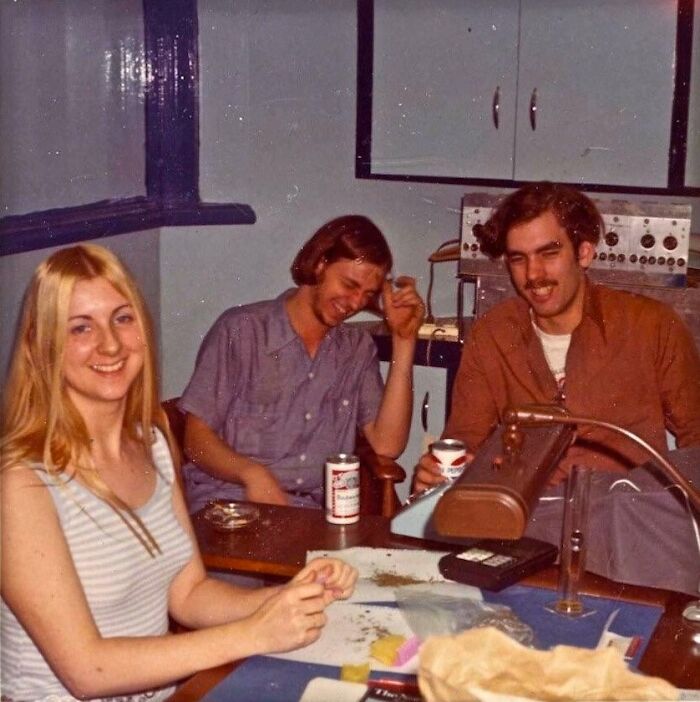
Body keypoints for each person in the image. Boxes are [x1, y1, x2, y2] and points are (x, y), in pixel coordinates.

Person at [0, 244, 357, 700]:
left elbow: (188, 594)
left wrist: (291, 599)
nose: (110, 343)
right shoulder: (22, 482)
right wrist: (255, 634)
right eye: (80, 327)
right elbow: (87, 670)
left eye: (122, 318)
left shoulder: (151, 441)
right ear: (41, 345)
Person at [411, 182, 700, 594]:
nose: (534, 276)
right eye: (518, 259)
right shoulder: (492, 335)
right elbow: (464, 442)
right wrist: (443, 470)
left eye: (549, 253)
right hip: (528, 536)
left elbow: (697, 442)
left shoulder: (651, 327)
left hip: (632, 538)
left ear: (584, 252)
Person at [180, 215, 424, 513]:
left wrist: (404, 340)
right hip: (233, 500)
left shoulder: (356, 348)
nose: (355, 302)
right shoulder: (243, 330)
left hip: (311, 514)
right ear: (320, 264)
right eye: (349, 285)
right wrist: (251, 473)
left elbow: (388, 445)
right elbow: (195, 440)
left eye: (368, 294)